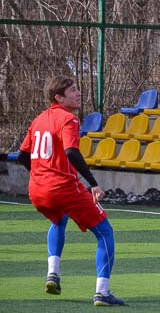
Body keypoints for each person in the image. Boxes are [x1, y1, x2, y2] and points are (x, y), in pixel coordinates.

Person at [16, 76, 125, 307]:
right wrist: (93, 183)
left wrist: (41, 174)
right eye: (73, 90)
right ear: (59, 97)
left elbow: (23, 155)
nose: (78, 93)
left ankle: (52, 274)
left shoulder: (39, 119)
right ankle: (102, 293)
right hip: (63, 188)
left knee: (58, 221)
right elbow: (71, 152)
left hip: (37, 189)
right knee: (105, 232)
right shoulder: (69, 119)